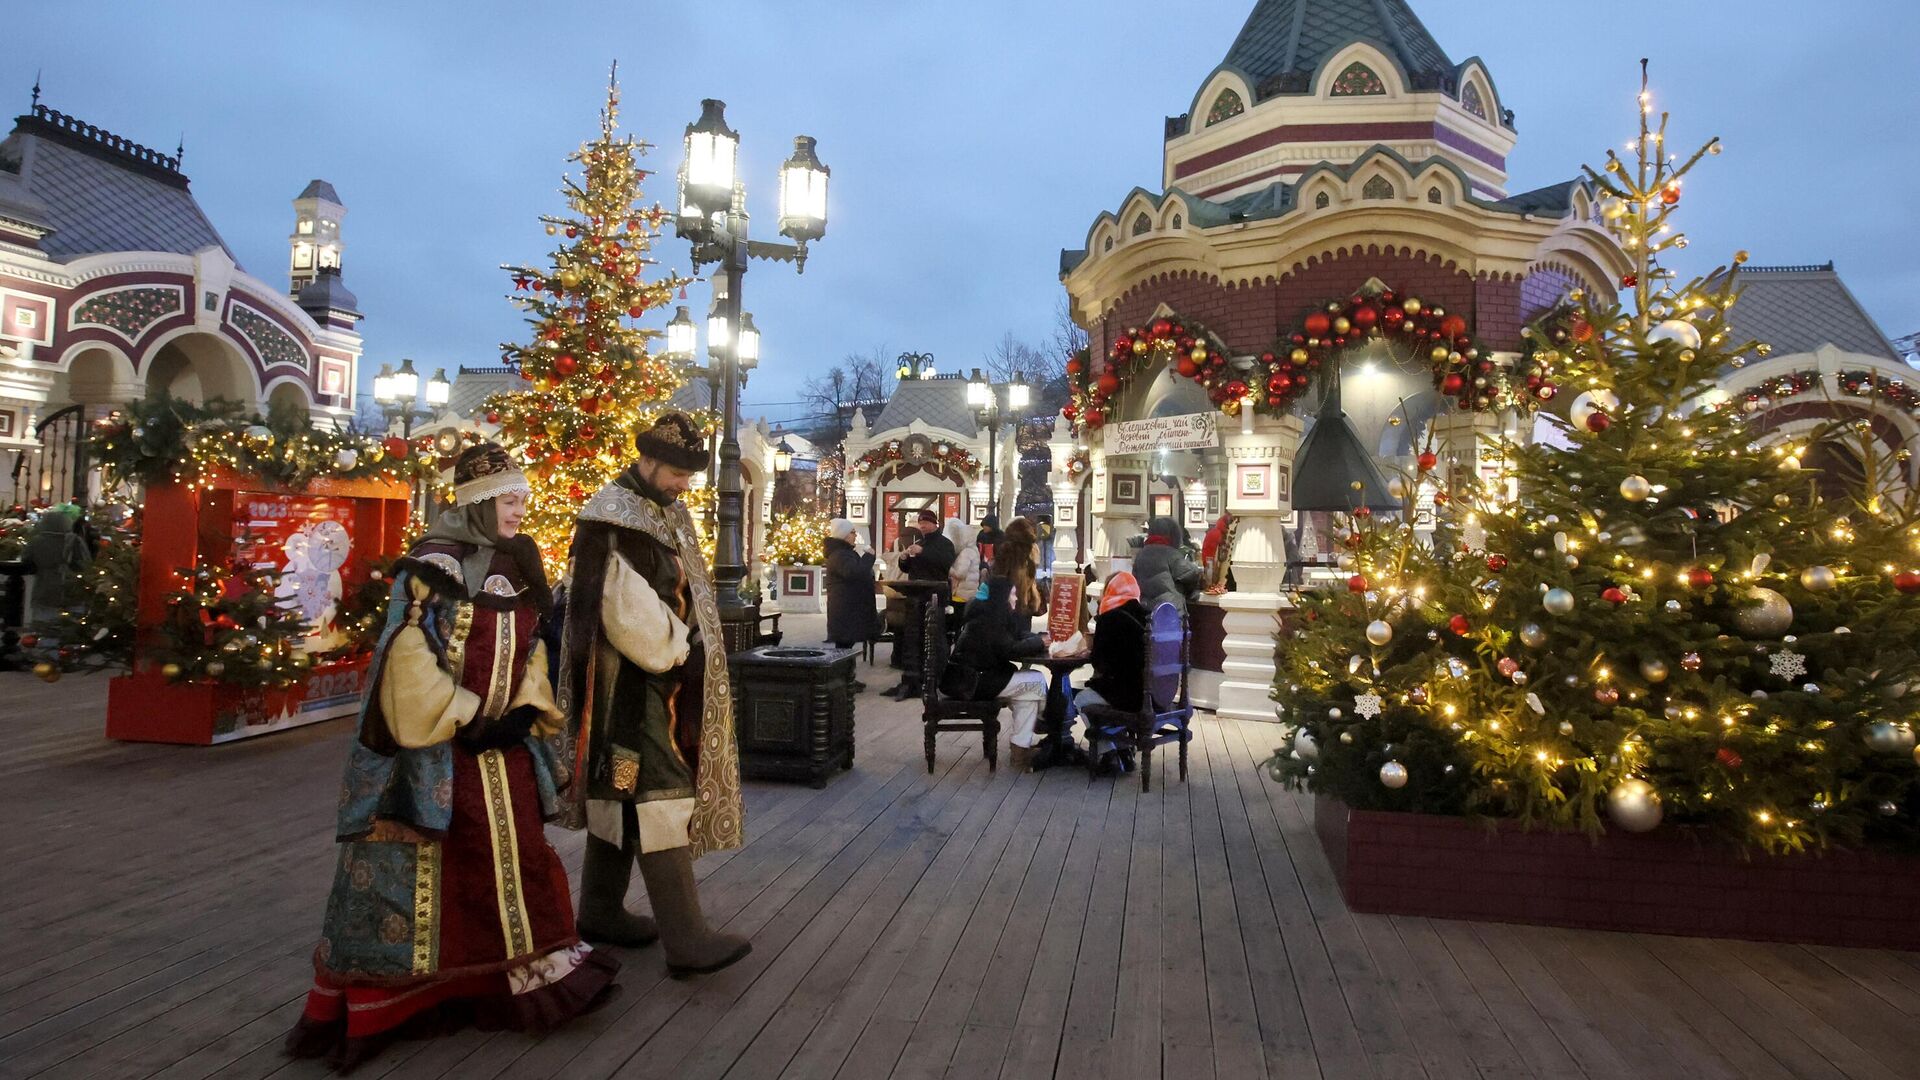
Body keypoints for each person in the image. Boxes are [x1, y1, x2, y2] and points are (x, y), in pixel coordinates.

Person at [285, 444, 616, 1073]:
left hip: (504, 747)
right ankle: (406, 996)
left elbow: (534, 650)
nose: (521, 508)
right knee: (426, 862)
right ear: (479, 504)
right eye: (509, 498)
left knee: (514, 850)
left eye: (522, 496)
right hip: (435, 752)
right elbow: (408, 655)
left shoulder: (519, 565)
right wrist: (465, 715)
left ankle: (517, 974)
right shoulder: (431, 568)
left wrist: (522, 711)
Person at [559, 412, 750, 977]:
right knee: (657, 794)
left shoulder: (662, 509)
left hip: (658, 688)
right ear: (646, 461)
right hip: (638, 693)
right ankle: (687, 940)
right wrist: (679, 653)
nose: (683, 484)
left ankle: (598, 910)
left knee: (619, 791)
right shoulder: (612, 520)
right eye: (675, 473)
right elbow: (625, 612)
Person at [941, 576, 1049, 769]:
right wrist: (1040, 642)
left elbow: (1014, 636)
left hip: (973, 678)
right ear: (1002, 596)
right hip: (974, 682)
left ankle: (1020, 753)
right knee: (1037, 681)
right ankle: (1045, 722)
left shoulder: (986, 613)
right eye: (1013, 595)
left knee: (1028, 695)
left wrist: (1036, 638)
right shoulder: (988, 621)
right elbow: (1011, 649)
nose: (1016, 599)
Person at [1074, 570, 1151, 775]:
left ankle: (1109, 753)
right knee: (1099, 693)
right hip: (1151, 695)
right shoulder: (1147, 615)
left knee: (1082, 699)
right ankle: (1123, 749)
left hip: (1127, 697)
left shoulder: (1110, 617)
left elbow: (1100, 664)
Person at [886, 509, 955, 699]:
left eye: (926, 522)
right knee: (913, 640)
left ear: (935, 524)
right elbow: (910, 568)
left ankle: (933, 680)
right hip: (915, 599)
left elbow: (944, 563)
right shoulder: (919, 542)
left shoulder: (945, 544)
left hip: (934, 599)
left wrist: (923, 552)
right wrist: (904, 560)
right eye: (920, 522)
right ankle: (912, 679)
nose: (923, 526)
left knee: (933, 641)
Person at [823, 517, 877, 690]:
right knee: (844, 647)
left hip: (848, 607)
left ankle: (847, 679)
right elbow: (854, 573)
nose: (855, 536)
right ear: (845, 535)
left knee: (846, 645)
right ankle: (843, 681)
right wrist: (869, 557)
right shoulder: (840, 554)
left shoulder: (843, 552)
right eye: (853, 532)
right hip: (845, 609)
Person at [23, 505, 90, 625]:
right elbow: (85, 563)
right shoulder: (75, 541)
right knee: (71, 624)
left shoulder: (37, 541)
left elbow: (26, 560)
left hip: (45, 586)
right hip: (71, 587)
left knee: (45, 621)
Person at [1133, 515, 1203, 614]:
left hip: (1147, 610)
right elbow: (1191, 574)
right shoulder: (1171, 554)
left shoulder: (1140, 555)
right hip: (1169, 611)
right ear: (1174, 535)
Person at [992, 517, 1045, 618]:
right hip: (1022, 604)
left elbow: (997, 577)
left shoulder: (1004, 551)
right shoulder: (1028, 555)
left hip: (1005, 605)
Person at [944, 517, 979, 619]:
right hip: (970, 592)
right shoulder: (974, 550)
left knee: (958, 619)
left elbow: (960, 574)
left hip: (962, 594)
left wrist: (948, 569)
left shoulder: (966, 553)